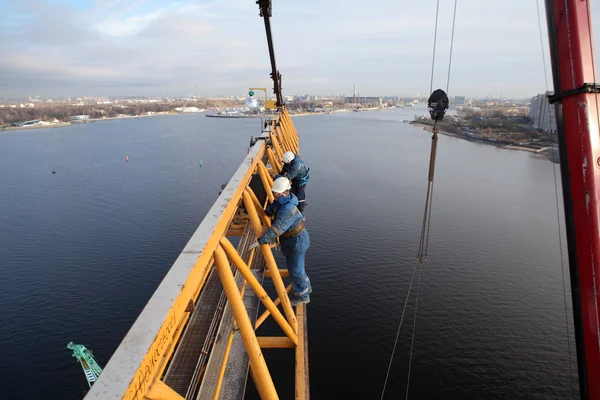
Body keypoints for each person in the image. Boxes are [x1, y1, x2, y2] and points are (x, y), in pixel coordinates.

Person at [249, 177, 311, 305]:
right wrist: (267, 211)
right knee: (297, 267)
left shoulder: (288, 209)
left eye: (277, 194)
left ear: (284, 192)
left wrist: (261, 241)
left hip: (296, 242)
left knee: (296, 270)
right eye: (274, 194)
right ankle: (306, 287)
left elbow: (277, 229)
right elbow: (274, 206)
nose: (275, 196)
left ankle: (302, 296)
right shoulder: (285, 200)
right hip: (292, 240)